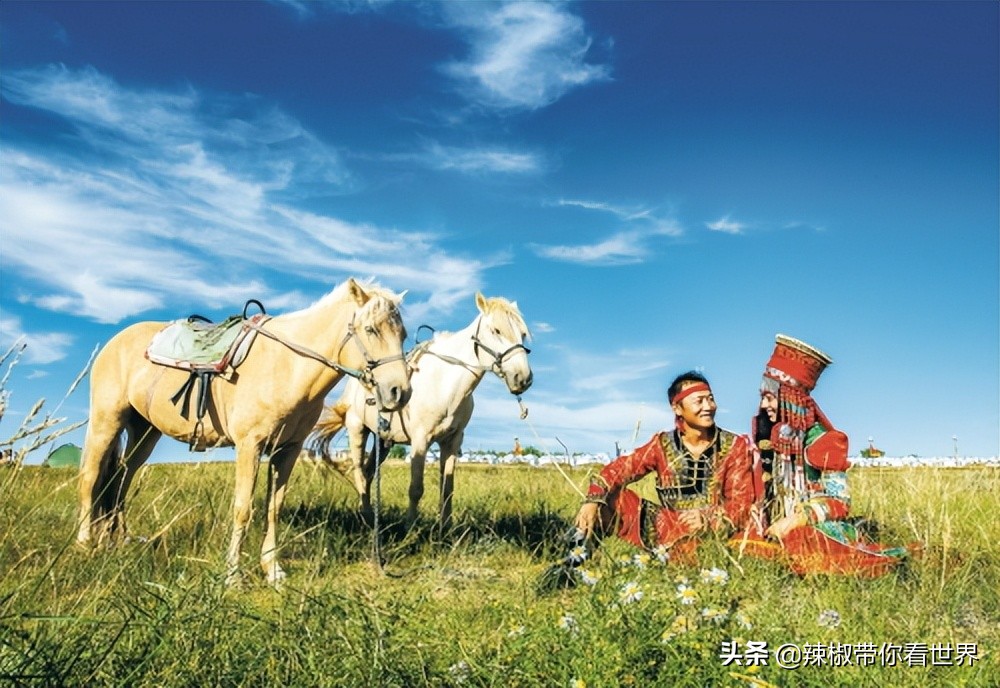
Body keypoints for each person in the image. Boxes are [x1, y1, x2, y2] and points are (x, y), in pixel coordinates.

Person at [732, 334, 911, 577]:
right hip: (774, 524)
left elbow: (839, 502)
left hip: (813, 526)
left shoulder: (824, 441)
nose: (763, 405)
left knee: (804, 540)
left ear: (789, 398)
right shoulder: (768, 438)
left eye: (769, 397)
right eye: (762, 397)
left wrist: (796, 519)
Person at [572, 370, 757, 564]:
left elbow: (740, 503)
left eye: (710, 399)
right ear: (677, 408)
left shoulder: (734, 446)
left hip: (711, 533)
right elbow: (618, 470)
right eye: (699, 401)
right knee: (608, 500)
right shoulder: (661, 444)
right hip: (663, 527)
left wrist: (709, 519)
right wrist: (592, 501)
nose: (708, 406)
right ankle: (575, 561)